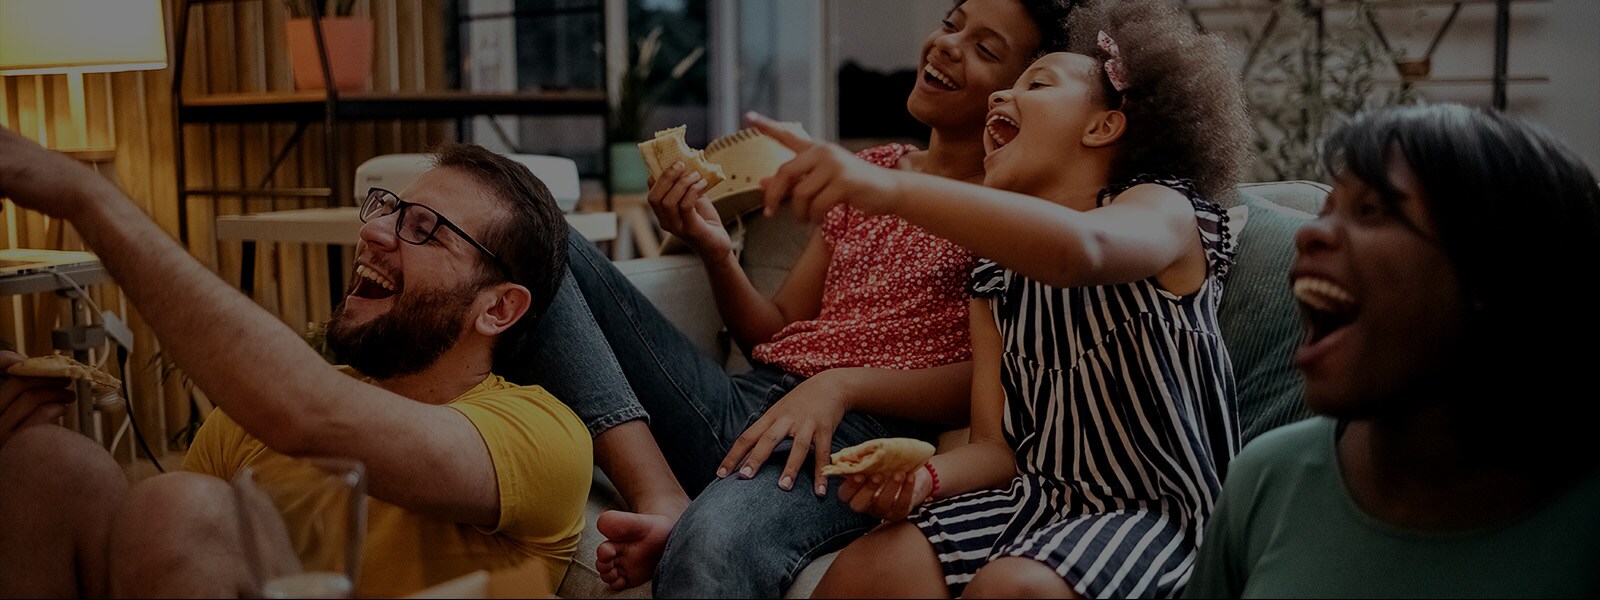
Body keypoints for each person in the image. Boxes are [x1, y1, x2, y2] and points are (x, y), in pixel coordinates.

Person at [513, 0, 1082, 595]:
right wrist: (715, 249)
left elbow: (997, 381)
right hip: (747, 399)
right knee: (531, 229)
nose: (948, 44)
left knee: (712, 548)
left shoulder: (1012, 211)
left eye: (985, 49)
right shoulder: (873, 166)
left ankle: (684, 523)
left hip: (851, 437)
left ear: (1022, 93)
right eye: (951, 23)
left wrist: (843, 383)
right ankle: (661, 494)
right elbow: (775, 327)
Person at [744, 1, 1253, 597]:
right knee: (869, 567)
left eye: (1035, 84)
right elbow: (998, 447)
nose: (997, 99)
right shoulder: (995, 275)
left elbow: (1081, 251)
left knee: (1012, 586)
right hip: (1033, 499)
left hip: (1159, 514)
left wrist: (885, 188)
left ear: (1101, 127)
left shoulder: (1164, 209)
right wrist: (924, 478)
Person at [0, 136, 593, 598]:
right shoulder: (250, 425)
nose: (373, 230)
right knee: (50, 464)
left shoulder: (542, 433)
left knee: (178, 503)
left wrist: (87, 197)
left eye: (424, 230)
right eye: (388, 210)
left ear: (498, 308)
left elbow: (312, 415)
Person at [1185, 105, 1600, 598]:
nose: (1308, 235)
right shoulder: (1266, 479)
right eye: (1326, 211)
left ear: (1496, 270)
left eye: (1372, 211)